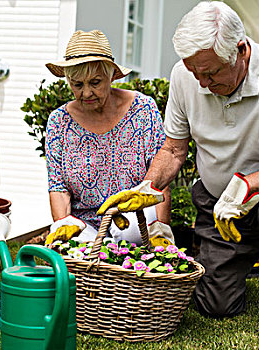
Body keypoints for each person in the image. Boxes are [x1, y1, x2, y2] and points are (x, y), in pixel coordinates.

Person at [97, 2, 259, 349]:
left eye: (210, 73)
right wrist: (149, 186)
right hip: (216, 205)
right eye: (196, 72)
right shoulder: (185, 76)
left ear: (240, 51)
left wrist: (249, 184)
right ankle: (244, 260)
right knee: (215, 306)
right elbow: (174, 149)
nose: (203, 83)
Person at [43, 29, 173, 246]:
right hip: (85, 226)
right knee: (73, 245)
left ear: (111, 76)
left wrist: (161, 230)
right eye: (77, 84)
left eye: (95, 82)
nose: (86, 93)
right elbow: (58, 188)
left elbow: (161, 182)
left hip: (135, 220)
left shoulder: (143, 110)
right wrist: (63, 223)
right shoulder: (59, 122)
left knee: (130, 231)